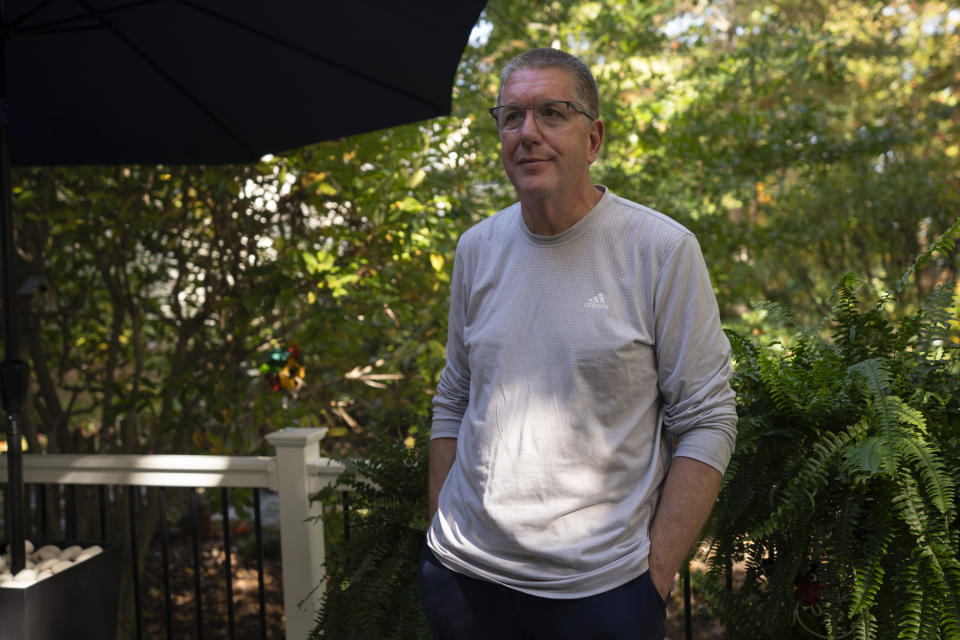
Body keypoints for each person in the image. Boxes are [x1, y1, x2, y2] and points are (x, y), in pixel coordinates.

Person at [420, 48, 738, 640]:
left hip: (601, 594)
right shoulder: (477, 249)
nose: (528, 133)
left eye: (552, 113)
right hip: (462, 580)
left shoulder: (659, 251)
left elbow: (708, 418)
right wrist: (439, 527)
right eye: (511, 117)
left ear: (593, 140)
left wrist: (655, 575)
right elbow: (455, 396)